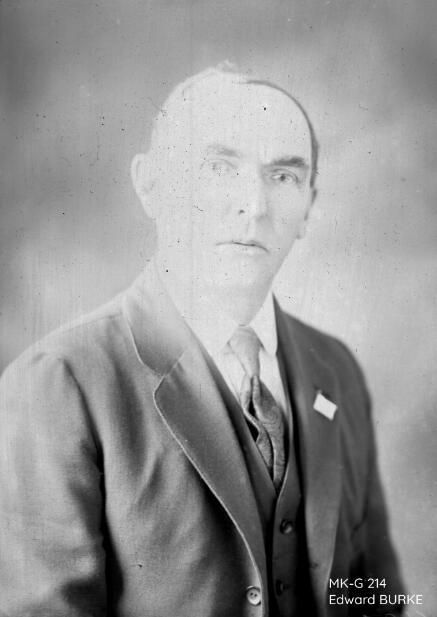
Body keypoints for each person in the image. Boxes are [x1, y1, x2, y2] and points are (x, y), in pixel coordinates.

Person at [0, 65, 405, 616]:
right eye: (219, 167)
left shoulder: (335, 370)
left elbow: (374, 596)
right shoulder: (58, 382)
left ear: (309, 206)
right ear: (150, 185)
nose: (255, 206)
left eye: (284, 176)